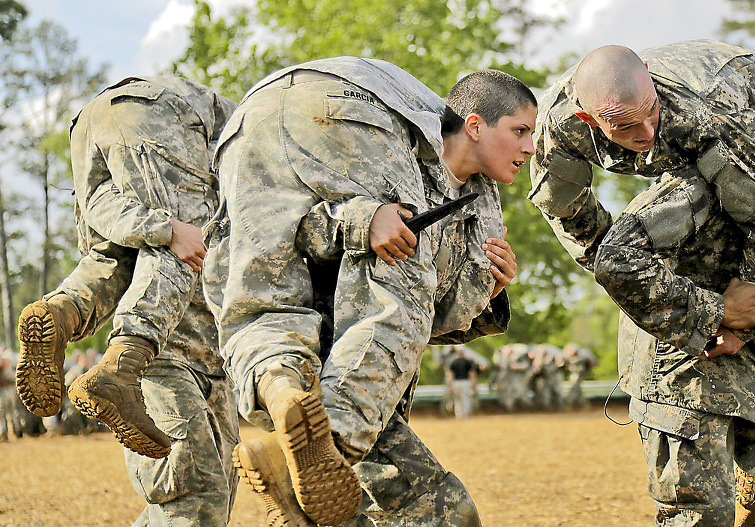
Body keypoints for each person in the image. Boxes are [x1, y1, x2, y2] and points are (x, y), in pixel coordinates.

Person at [204, 58, 534, 526]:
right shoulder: (396, 147)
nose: (531, 148)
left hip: (244, 123)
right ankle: (324, 445)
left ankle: (285, 407)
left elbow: (435, 318)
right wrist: (365, 219)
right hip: (337, 376)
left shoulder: (480, 206)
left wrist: (489, 286)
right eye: (521, 131)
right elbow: (397, 291)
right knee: (399, 281)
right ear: (475, 127)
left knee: (451, 515)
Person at [593, 54, 755, 525]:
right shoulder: (697, 181)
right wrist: (714, 313)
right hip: (685, 370)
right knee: (701, 517)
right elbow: (616, 259)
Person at [20, 76, 240, 525]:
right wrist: (170, 230)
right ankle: (123, 361)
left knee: (116, 253)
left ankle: (61, 311)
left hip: (93, 118)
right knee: (184, 234)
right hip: (160, 111)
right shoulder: (263, 137)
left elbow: (117, 236)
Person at [444, 346, 479, 418]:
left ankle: (459, 415)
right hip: (465, 382)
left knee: (457, 400)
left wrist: (450, 385)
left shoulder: (453, 362)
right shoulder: (467, 362)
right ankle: (465, 415)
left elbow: (450, 375)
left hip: (456, 382)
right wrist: (474, 384)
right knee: (465, 399)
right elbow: (472, 374)